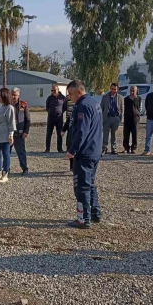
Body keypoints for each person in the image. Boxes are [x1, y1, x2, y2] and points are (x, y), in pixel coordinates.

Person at [65, 80, 103, 229]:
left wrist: (73, 150)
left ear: (78, 92)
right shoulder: (94, 103)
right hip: (94, 150)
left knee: (81, 186)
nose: (70, 97)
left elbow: (82, 131)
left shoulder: (83, 106)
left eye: (71, 94)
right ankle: (95, 213)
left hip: (85, 152)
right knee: (90, 184)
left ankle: (83, 218)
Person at [11, 87, 30, 175]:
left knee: (21, 152)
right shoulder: (7, 105)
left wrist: (26, 131)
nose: (13, 96)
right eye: (12, 94)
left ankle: (24, 168)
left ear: (18, 95)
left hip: (19, 133)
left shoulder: (23, 105)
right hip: (9, 134)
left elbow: (28, 119)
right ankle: (6, 169)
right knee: (6, 152)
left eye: (15, 95)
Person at [101, 83, 123, 155]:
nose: (114, 90)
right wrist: (102, 117)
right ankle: (104, 148)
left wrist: (120, 119)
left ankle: (114, 148)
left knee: (114, 134)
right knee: (105, 134)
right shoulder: (105, 97)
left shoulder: (120, 98)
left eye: (115, 89)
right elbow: (102, 108)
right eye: (112, 89)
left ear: (117, 89)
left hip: (115, 118)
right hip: (107, 118)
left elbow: (122, 109)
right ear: (110, 88)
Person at [45, 84, 67, 153]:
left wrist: (60, 112)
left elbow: (65, 107)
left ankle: (59, 149)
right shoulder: (49, 98)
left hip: (59, 118)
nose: (53, 91)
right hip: (51, 118)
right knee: (49, 133)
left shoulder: (63, 98)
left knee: (59, 134)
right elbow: (47, 107)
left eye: (54, 90)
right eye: (52, 90)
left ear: (58, 90)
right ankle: (47, 149)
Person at [122, 86, 141, 154]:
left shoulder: (139, 98)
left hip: (135, 119)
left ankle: (133, 148)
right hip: (127, 119)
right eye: (131, 90)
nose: (132, 92)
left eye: (134, 90)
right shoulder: (126, 99)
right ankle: (126, 147)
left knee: (134, 134)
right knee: (126, 134)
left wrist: (138, 114)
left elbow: (139, 108)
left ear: (136, 91)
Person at [60, 95, 74, 171]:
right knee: (70, 149)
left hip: (78, 134)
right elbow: (68, 122)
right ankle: (72, 167)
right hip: (71, 134)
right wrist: (63, 130)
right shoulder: (72, 114)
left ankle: (77, 167)